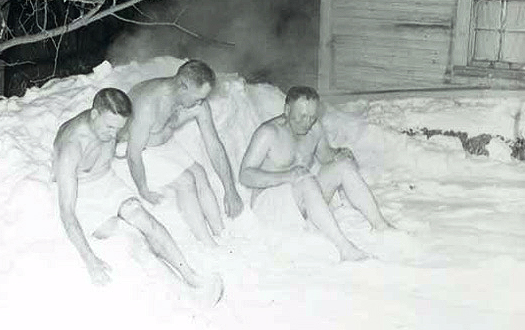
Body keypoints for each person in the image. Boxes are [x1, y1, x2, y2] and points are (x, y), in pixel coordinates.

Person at [53, 88, 222, 300]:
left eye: (119, 128)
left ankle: (190, 276)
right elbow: (66, 211)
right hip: (82, 194)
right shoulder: (72, 146)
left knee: (145, 220)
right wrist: (90, 260)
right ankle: (182, 295)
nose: (114, 134)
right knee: (133, 238)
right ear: (94, 114)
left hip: (106, 179)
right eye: (110, 127)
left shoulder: (108, 125)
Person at [239, 86, 393, 261]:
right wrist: (286, 176)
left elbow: (325, 156)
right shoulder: (268, 133)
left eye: (312, 117)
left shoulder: (314, 128)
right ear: (287, 109)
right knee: (306, 180)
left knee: (343, 166)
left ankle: (381, 226)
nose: (307, 123)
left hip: (301, 198)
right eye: (302, 116)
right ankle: (344, 248)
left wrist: (340, 153)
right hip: (270, 204)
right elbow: (245, 175)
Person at [122, 60, 243, 247]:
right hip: (136, 149)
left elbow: (214, 145)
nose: (201, 103)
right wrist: (143, 188)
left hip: (164, 143)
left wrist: (230, 189)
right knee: (186, 181)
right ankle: (208, 243)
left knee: (200, 173)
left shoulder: (196, 103)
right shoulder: (149, 103)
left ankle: (221, 233)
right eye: (197, 97)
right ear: (182, 86)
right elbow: (133, 153)